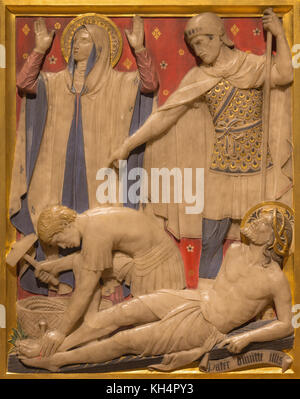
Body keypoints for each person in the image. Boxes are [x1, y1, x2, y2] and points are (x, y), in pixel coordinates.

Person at [109, 10, 293, 279]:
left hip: (257, 166)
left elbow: (286, 75)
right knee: (211, 241)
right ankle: (208, 296)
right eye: (194, 46)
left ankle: (263, 298)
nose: (198, 51)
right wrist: (127, 145)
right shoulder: (198, 77)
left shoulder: (252, 65)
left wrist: (278, 33)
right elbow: (165, 115)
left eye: (203, 42)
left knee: (261, 241)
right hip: (221, 167)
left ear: (220, 37)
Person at [17, 203, 294, 372]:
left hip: (206, 326)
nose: (254, 223)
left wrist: (246, 338)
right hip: (196, 301)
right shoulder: (234, 251)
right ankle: (52, 349)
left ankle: (58, 360)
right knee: (118, 314)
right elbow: (220, 287)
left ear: (273, 238)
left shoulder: (274, 280)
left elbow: (286, 325)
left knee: (124, 341)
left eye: (263, 223)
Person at [10, 15, 158, 294]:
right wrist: (40, 49)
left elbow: (149, 85)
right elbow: (25, 83)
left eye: (85, 40)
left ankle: (102, 280)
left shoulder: (116, 83)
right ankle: (63, 283)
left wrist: (139, 49)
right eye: (75, 40)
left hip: (98, 170)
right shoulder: (54, 83)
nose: (77, 45)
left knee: (97, 221)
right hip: (57, 168)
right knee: (57, 221)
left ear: (100, 47)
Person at [26, 204, 186, 355]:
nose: (61, 246)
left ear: (66, 225)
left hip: (159, 268)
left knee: (151, 337)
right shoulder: (90, 220)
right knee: (82, 265)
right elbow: (86, 259)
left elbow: (84, 290)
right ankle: (90, 330)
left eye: (58, 240)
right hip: (149, 260)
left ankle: (87, 331)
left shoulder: (95, 233)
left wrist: (59, 332)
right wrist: (55, 266)